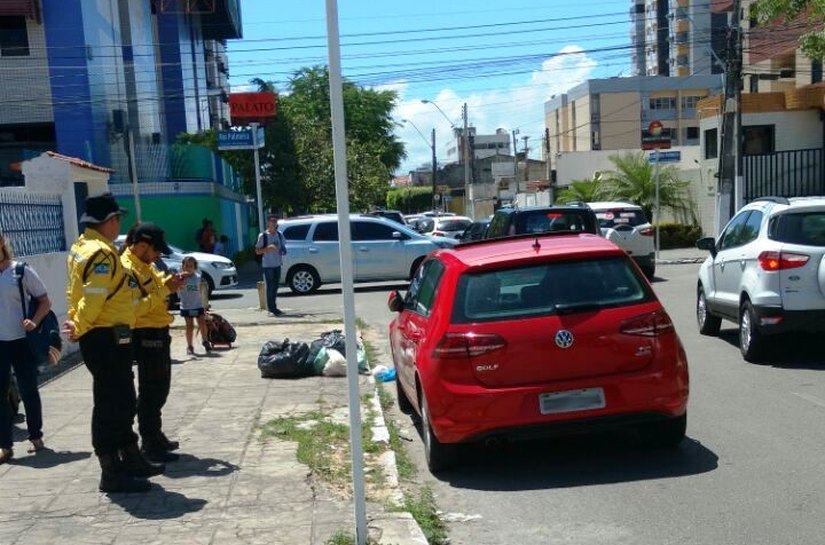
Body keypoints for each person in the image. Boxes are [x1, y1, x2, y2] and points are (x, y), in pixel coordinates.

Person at [64, 193, 164, 493]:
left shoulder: (82, 247)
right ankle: (112, 471)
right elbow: (93, 299)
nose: (119, 224)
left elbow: (75, 293)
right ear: (108, 221)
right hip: (104, 335)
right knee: (112, 403)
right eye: (117, 219)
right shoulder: (101, 254)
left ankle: (130, 458)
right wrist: (79, 325)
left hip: (107, 333)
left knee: (121, 398)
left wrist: (78, 322)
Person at [121, 223, 185, 464]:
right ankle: (149, 442)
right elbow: (135, 308)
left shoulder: (145, 265)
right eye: (156, 250)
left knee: (160, 387)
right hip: (145, 333)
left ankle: (155, 435)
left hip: (158, 330)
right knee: (151, 389)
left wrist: (170, 283)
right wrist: (165, 290)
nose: (158, 255)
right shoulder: (127, 269)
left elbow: (155, 288)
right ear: (141, 246)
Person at [0, 231, 51, 464]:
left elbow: (44, 301)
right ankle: (5, 445)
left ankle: (36, 436)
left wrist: (35, 321)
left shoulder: (20, 271)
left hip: (22, 341)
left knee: (28, 390)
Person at [255, 215, 287, 317]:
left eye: (275, 221)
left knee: (276, 286)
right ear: (268, 222)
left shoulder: (279, 234)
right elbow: (257, 251)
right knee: (270, 287)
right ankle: (271, 309)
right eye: (272, 221)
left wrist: (282, 251)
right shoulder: (263, 236)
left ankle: (274, 307)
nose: (274, 223)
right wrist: (268, 248)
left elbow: (283, 248)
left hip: (277, 264)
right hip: (268, 265)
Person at [179, 256, 210, 355]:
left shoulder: (198, 278)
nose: (188, 268)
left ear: (195, 267)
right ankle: (190, 346)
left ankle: (205, 340)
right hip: (186, 306)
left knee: (202, 324)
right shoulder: (180, 278)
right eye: (186, 266)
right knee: (189, 326)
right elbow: (177, 287)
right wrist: (181, 279)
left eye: (191, 266)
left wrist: (205, 305)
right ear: (183, 267)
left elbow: (203, 291)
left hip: (198, 305)